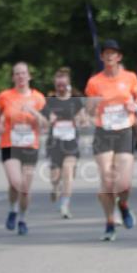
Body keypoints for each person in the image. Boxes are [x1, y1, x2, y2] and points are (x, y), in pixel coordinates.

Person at [84, 39, 137, 241]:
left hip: (125, 130)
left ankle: (124, 205)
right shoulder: (94, 82)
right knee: (107, 182)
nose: (110, 56)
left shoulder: (130, 77)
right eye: (106, 53)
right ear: (101, 57)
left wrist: (135, 105)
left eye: (113, 53)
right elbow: (89, 109)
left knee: (124, 184)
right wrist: (93, 106)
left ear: (119, 57)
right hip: (104, 132)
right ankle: (110, 222)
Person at [0, 62, 47, 235]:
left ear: (29, 76)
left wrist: (34, 112)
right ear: (13, 77)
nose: (21, 76)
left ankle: (22, 217)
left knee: (24, 188)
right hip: (10, 144)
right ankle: (12, 209)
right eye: (17, 74)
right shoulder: (5, 96)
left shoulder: (38, 98)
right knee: (16, 183)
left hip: (30, 145)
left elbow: (45, 123)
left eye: (23, 73)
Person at [43, 67, 85, 218]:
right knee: (55, 177)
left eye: (63, 83)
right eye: (58, 83)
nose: (60, 86)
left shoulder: (76, 100)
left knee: (67, 172)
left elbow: (84, 119)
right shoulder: (49, 101)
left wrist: (80, 120)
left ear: (68, 83)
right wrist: (49, 120)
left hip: (71, 142)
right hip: (54, 143)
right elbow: (43, 122)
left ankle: (65, 205)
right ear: (55, 84)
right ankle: (55, 188)